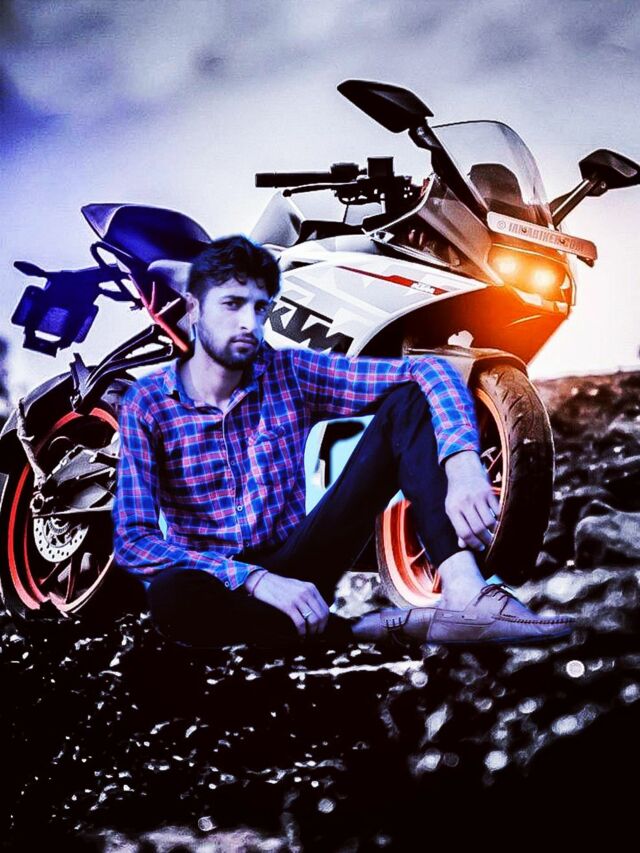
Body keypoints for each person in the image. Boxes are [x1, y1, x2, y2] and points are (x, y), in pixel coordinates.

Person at [112, 235, 576, 651]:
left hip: (299, 560)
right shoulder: (148, 405)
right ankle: (361, 632)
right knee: (172, 597)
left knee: (408, 401)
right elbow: (135, 542)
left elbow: (427, 372)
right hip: (218, 583)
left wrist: (462, 463)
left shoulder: (291, 373)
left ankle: (466, 594)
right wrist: (254, 579)